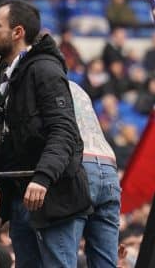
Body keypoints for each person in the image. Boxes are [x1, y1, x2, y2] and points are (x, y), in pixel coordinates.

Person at [0, 0, 91, 268]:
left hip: (52, 196)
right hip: (18, 197)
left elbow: (64, 131)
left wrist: (43, 178)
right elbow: (1, 135)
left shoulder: (45, 70)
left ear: (18, 32)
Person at [69, 82, 120, 268]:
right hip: (108, 165)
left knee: (64, 255)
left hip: (80, 164)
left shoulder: (42, 80)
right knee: (106, 261)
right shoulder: (77, 87)